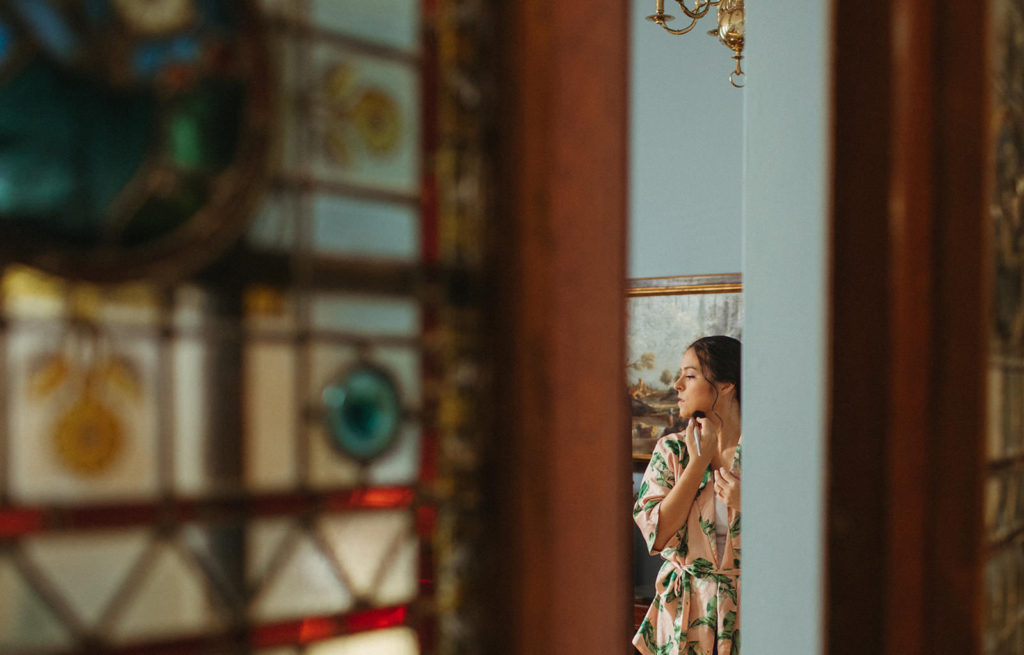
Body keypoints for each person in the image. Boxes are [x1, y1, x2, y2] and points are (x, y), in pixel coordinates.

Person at [633, 335, 742, 655]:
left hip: (752, 614)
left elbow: (802, 536)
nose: (678, 384)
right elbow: (657, 535)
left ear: (725, 385)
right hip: (683, 616)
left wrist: (751, 505)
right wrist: (696, 464)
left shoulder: (768, 451)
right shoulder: (672, 450)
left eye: (690, 375)